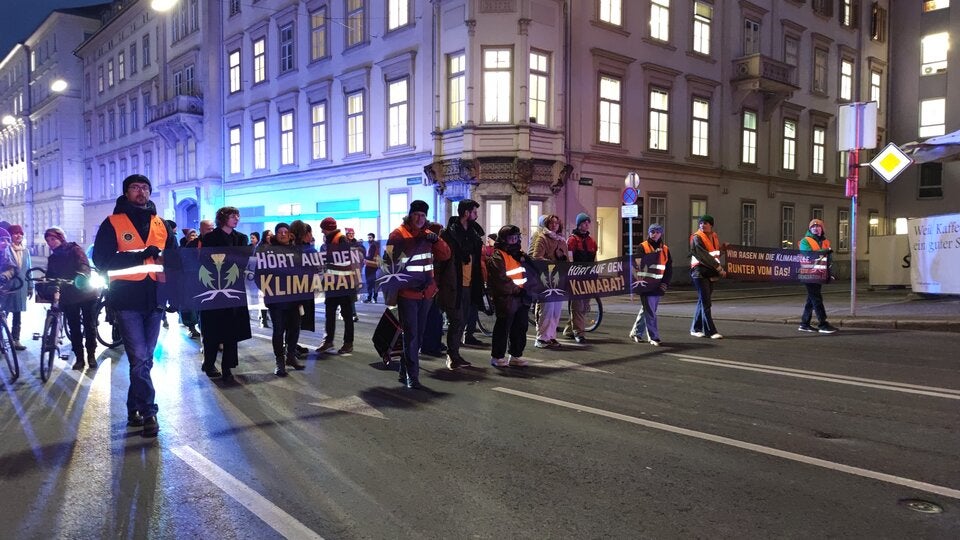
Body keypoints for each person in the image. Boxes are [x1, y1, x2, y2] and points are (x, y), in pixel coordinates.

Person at [92, 174, 178, 438]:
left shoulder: (161, 224)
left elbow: (174, 263)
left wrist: (175, 295)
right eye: (135, 187)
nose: (141, 192)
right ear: (126, 192)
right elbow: (101, 261)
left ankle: (133, 409)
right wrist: (139, 254)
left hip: (155, 300)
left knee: (144, 361)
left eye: (145, 188)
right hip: (126, 300)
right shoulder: (113, 223)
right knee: (139, 358)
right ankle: (150, 413)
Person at [382, 200, 451, 389]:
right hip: (407, 293)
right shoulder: (397, 234)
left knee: (418, 336)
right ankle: (413, 376)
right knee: (411, 335)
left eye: (423, 215)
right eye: (416, 215)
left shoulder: (429, 234)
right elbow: (388, 263)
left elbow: (445, 255)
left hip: (426, 293)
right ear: (410, 215)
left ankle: (404, 371)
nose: (420, 219)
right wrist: (414, 244)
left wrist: (436, 240)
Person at [198, 207, 252, 383]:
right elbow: (204, 262)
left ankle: (228, 366)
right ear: (223, 218)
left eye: (237, 215)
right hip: (213, 288)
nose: (236, 218)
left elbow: (244, 260)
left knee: (232, 329)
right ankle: (209, 362)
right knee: (212, 328)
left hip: (234, 289)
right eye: (232, 216)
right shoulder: (210, 238)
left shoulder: (241, 238)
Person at [436, 199, 486, 370]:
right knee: (456, 320)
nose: (476, 215)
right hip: (453, 284)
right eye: (474, 212)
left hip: (470, 284)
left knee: (462, 321)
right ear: (466, 213)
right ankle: (452, 356)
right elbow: (440, 262)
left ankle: (455, 354)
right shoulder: (449, 234)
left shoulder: (473, 234)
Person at [44, 227, 100, 369]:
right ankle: (79, 358)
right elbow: (50, 276)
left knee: (89, 325)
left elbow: (84, 265)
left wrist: (81, 275)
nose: (51, 243)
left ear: (61, 238)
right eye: (48, 240)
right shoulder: (53, 258)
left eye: (53, 239)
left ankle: (91, 355)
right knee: (74, 327)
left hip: (85, 292)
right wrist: (48, 283)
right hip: (69, 296)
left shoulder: (74, 249)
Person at [263, 222, 305, 375]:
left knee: (294, 329)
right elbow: (258, 275)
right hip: (276, 299)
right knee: (279, 330)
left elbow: (304, 271)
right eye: (279, 232)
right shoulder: (267, 252)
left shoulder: (296, 250)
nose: (282, 234)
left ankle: (291, 356)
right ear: (275, 234)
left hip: (294, 298)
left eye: (285, 231)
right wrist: (267, 288)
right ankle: (279, 361)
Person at [487, 225, 532, 367]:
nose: (514, 240)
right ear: (504, 239)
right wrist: (516, 289)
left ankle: (516, 354)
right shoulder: (498, 255)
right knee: (503, 327)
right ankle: (498, 356)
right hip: (507, 297)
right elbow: (500, 278)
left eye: (516, 237)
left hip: (521, 297)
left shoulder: (519, 254)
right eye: (511, 238)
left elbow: (529, 272)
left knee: (520, 327)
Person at [629, 223, 673, 346]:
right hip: (646, 285)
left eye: (657, 232)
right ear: (649, 233)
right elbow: (636, 265)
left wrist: (664, 283)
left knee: (648, 309)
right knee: (650, 311)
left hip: (658, 284)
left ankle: (636, 333)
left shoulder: (665, 249)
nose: (654, 234)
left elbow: (668, 268)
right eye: (652, 232)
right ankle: (654, 337)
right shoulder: (642, 247)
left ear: (661, 233)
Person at [317, 218, 355, 354]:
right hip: (333, 283)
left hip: (343, 284)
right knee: (330, 313)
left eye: (323, 228)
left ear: (328, 228)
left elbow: (344, 259)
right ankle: (328, 341)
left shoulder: (340, 239)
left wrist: (325, 259)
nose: (321, 231)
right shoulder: (331, 239)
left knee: (346, 315)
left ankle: (348, 343)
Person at [530, 214, 567, 349]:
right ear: (547, 224)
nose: (554, 225)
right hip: (545, 279)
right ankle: (541, 337)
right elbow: (537, 258)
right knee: (546, 309)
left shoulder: (562, 240)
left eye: (556, 223)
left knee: (556, 310)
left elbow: (566, 260)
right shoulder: (542, 238)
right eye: (551, 223)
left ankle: (551, 336)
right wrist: (552, 263)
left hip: (558, 279)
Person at [798, 219, 839, 334]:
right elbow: (808, 255)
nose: (815, 228)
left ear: (822, 229)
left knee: (811, 299)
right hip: (808, 273)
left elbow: (828, 259)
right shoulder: (805, 241)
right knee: (816, 298)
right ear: (810, 229)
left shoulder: (825, 241)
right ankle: (823, 323)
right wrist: (825, 251)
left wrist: (830, 272)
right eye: (813, 227)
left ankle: (804, 324)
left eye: (818, 226)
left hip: (820, 274)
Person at [689, 214, 726, 339]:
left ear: (711, 225)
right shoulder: (697, 238)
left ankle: (695, 328)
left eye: (705, 223)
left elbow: (713, 254)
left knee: (702, 301)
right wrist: (719, 268)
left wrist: (723, 250)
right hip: (699, 272)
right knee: (706, 303)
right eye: (700, 223)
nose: (702, 225)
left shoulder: (714, 236)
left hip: (709, 272)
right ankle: (711, 331)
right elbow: (704, 256)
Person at [564, 212, 597, 343]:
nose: (587, 225)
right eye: (584, 223)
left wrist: (594, 274)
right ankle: (579, 333)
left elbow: (594, 259)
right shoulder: (572, 240)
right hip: (576, 277)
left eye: (588, 222)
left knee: (584, 306)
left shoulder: (591, 241)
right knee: (577, 306)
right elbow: (570, 259)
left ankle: (569, 329)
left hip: (588, 277)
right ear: (579, 225)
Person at [1, 224, 32, 350]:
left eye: (20, 233)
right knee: (4, 313)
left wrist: (30, 286)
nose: (18, 235)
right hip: (7, 286)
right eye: (15, 233)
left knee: (17, 314)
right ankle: (2, 340)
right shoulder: (5, 249)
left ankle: (16, 339)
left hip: (21, 286)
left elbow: (29, 269)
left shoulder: (25, 251)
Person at [344, 228, 361, 323]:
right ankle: (352, 313)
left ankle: (352, 313)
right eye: (349, 233)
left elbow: (361, 256)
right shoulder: (343, 244)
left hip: (354, 272)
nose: (351, 234)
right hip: (346, 273)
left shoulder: (357, 244)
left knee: (352, 294)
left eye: (352, 233)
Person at [363, 233, 380, 303]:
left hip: (370, 266)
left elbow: (370, 257)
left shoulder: (373, 245)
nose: (368, 239)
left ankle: (369, 298)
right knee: (374, 283)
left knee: (369, 283)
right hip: (374, 266)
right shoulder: (375, 245)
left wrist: (363, 257)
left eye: (370, 237)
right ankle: (375, 298)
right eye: (368, 237)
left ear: (373, 238)